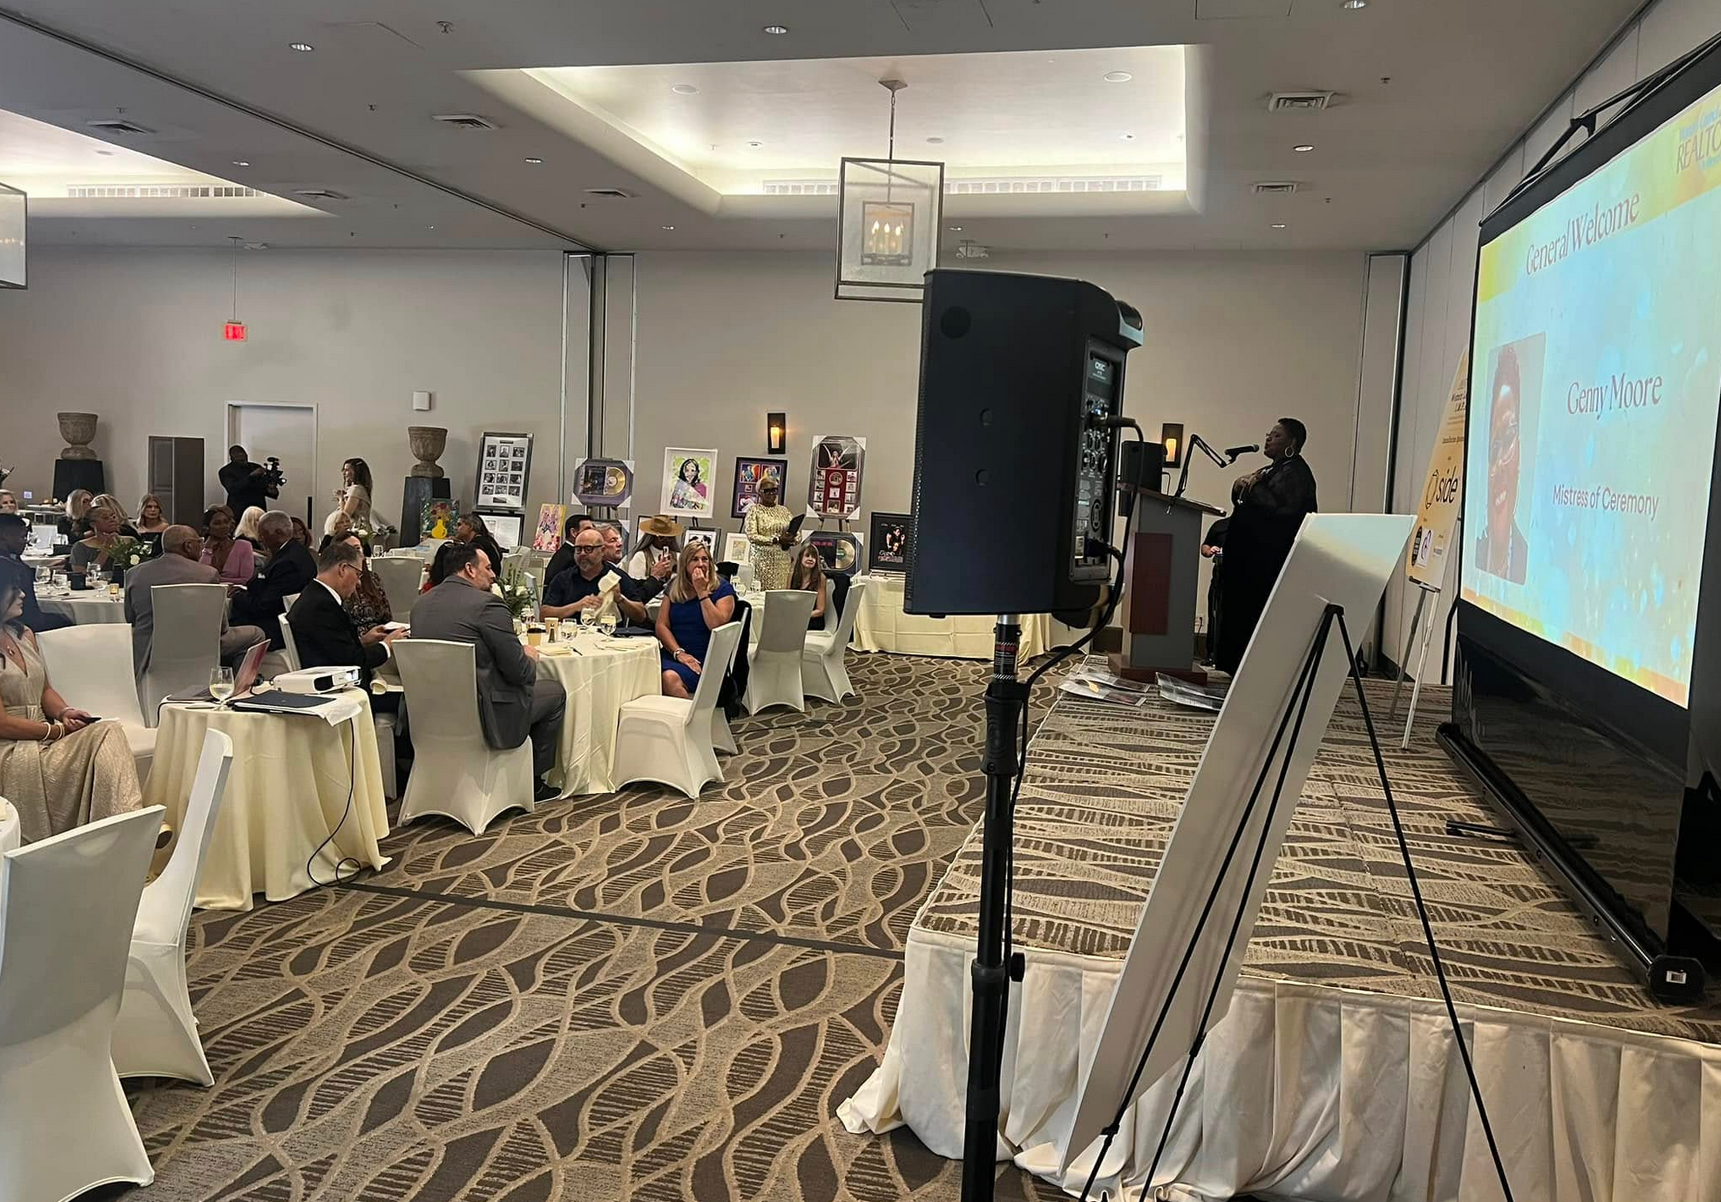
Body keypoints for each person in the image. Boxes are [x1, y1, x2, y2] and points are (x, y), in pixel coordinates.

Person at [0, 566, 145, 844]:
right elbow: (3, 724)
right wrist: (55, 732)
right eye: (13, 590)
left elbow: (45, 689)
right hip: (10, 749)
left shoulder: (23, 634)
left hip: (42, 735)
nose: (22, 595)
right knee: (103, 738)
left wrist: (65, 713)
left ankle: (122, 826)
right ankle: (126, 833)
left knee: (106, 731)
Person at [410, 541, 565, 799]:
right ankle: (533, 780)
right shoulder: (487, 606)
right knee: (555, 692)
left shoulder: (420, 605)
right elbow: (520, 674)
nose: (494, 575)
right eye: (489, 567)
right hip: (485, 715)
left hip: (429, 713)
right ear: (470, 569)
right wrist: (531, 657)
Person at [1213, 418, 1319, 675]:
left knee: (1254, 615)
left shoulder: (1296, 472)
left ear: (1292, 443)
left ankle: (1250, 670)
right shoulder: (1275, 468)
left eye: (1276, 435)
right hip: (1250, 559)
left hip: (1267, 563)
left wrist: (1251, 484)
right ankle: (1234, 666)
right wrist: (1240, 484)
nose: (1268, 438)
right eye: (1268, 434)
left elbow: (1278, 510)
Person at [124, 525, 266, 682]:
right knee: (256, 634)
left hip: (149, 650)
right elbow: (219, 626)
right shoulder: (207, 574)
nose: (203, 546)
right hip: (196, 647)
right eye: (200, 542)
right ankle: (240, 687)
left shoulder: (134, 573)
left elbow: (130, 618)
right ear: (188, 546)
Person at [286, 540, 404, 705]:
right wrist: (387, 645)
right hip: (338, 686)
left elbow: (334, 646)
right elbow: (353, 661)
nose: (359, 583)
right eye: (358, 574)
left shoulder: (315, 595)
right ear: (343, 569)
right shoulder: (322, 607)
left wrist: (363, 641)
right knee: (406, 696)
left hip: (334, 674)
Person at [656, 540, 737, 700]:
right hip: (675, 653)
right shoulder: (674, 586)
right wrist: (678, 653)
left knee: (669, 678)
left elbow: (716, 625)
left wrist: (702, 593)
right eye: (695, 559)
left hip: (705, 658)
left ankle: (689, 723)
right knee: (643, 671)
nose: (700, 564)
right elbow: (661, 625)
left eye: (705, 559)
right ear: (685, 564)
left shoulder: (722, 589)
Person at [1477, 345, 1528, 584]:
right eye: (1493, 448)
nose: (1498, 466)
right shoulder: (1476, 552)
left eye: (1508, 439)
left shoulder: (1525, 558)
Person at [229, 510, 317, 649]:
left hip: (275, 628)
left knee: (222, 640)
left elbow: (265, 605)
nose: (260, 539)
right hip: (275, 618)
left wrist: (238, 597)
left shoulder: (288, 562)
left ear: (278, 533)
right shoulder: (295, 551)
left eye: (263, 534)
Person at [541, 527, 649, 625]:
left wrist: (620, 599)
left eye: (588, 549)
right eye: (578, 549)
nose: (582, 554)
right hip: (572, 638)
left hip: (609, 640)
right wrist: (576, 606)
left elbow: (641, 615)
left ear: (602, 551)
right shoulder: (563, 578)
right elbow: (543, 615)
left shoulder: (617, 576)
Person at [0, 514, 71, 632]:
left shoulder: (11, 558)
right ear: (5, 536)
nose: (25, 542)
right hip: (20, 626)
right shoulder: (10, 566)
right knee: (66, 621)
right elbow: (30, 614)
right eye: (22, 537)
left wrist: (46, 570)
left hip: (15, 622)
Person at [319, 531, 393, 631]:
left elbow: (387, 616)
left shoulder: (373, 578)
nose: (355, 554)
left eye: (357, 548)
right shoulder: (335, 588)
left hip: (380, 633)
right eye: (349, 550)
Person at [742, 477, 795, 590]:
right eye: (767, 491)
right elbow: (751, 535)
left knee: (779, 593)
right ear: (759, 493)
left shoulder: (784, 510)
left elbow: (796, 530)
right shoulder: (754, 510)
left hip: (782, 561)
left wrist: (793, 539)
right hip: (761, 561)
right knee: (761, 593)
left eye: (774, 490)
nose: (771, 493)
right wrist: (775, 540)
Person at [600, 520, 669, 601]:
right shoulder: (606, 572)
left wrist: (660, 579)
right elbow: (637, 598)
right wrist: (655, 576)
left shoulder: (613, 569)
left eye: (619, 540)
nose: (619, 544)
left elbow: (634, 584)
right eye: (612, 540)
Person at [199, 504, 256, 585]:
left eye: (226, 522)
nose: (224, 526)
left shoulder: (244, 546)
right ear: (208, 527)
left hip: (236, 594)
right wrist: (208, 550)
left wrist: (216, 580)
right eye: (217, 523)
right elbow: (201, 577)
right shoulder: (200, 547)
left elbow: (246, 580)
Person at [1199, 516, 1230, 668]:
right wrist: (1210, 550)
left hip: (1242, 578)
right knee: (1215, 614)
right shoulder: (1221, 525)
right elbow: (1205, 547)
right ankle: (1212, 654)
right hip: (1220, 576)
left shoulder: (1253, 526)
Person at [69, 504, 126, 583]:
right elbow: (81, 577)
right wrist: (107, 548)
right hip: (95, 588)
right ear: (93, 524)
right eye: (105, 518)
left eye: (113, 516)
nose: (112, 520)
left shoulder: (129, 541)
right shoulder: (80, 546)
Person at [220, 445, 278, 518]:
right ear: (232, 458)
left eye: (244, 456)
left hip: (258, 508)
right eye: (239, 457)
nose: (242, 458)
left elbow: (264, 488)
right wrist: (251, 476)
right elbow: (232, 489)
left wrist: (272, 490)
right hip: (239, 511)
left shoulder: (255, 467)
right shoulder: (226, 471)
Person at [325, 457, 375, 537]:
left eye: (347, 470)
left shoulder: (356, 489)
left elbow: (345, 515)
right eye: (344, 470)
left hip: (356, 532)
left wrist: (341, 498)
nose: (344, 473)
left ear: (356, 472)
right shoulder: (360, 489)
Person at [543, 512, 598, 586]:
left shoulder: (565, 552)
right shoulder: (571, 557)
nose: (593, 533)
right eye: (587, 529)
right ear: (574, 533)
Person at [455, 512, 505, 585]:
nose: (456, 528)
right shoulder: (488, 540)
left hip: (482, 585)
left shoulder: (476, 545)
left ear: (470, 526)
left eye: (459, 524)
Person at [626, 517, 681, 582]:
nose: (666, 540)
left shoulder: (678, 557)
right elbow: (634, 586)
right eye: (661, 537)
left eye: (669, 537)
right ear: (652, 537)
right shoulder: (641, 556)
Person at [789, 541, 828, 629]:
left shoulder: (821, 578)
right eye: (807, 556)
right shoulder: (792, 574)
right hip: (794, 618)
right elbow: (787, 599)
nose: (810, 559)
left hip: (812, 619)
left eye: (814, 557)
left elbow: (820, 610)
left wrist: (802, 616)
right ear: (801, 557)